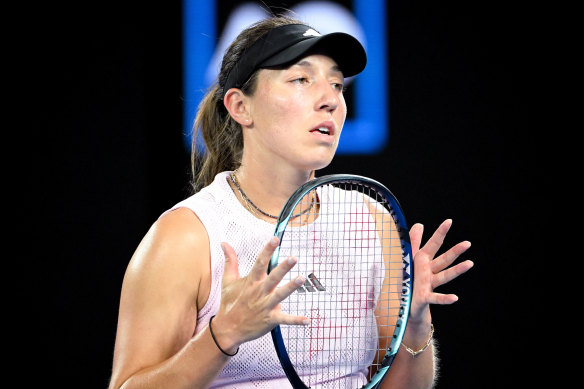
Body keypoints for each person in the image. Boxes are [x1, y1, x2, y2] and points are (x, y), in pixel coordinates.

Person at [108, 15, 473, 389]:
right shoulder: (185, 237)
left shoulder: (371, 222)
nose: (331, 99)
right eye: (301, 79)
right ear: (240, 107)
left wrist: (414, 326)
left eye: (336, 84)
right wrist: (223, 335)